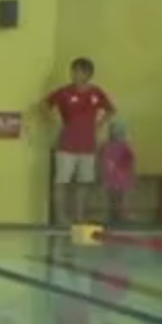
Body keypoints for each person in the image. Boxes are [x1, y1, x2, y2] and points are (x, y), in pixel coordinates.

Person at [41, 57, 115, 225]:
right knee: (62, 181)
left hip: (87, 145)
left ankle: (80, 216)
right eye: (73, 71)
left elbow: (111, 110)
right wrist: (54, 121)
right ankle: (60, 217)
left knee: (84, 182)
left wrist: (99, 124)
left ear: (88, 74)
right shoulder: (65, 92)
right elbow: (44, 104)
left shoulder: (96, 93)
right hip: (66, 145)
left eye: (80, 72)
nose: (75, 75)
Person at [98, 120, 136, 224]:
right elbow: (100, 160)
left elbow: (131, 161)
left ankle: (122, 215)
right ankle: (111, 215)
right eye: (115, 131)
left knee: (122, 197)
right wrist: (100, 173)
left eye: (119, 132)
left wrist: (132, 174)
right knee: (111, 197)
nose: (117, 134)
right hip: (110, 175)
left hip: (122, 175)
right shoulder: (105, 145)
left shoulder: (126, 145)